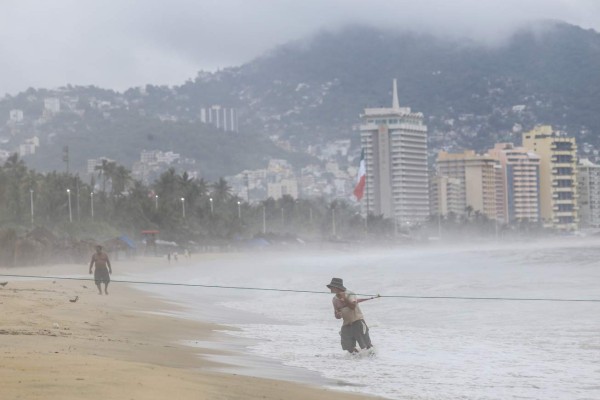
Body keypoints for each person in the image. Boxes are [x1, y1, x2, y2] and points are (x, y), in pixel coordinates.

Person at [327, 277, 373, 354]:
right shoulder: (334, 299)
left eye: (331, 287)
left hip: (357, 321)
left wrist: (344, 298)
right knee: (348, 347)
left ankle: (372, 361)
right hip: (346, 324)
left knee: (367, 346)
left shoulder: (350, 294)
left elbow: (353, 306)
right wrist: (337, 314)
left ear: (336, 287)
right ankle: (357, 361)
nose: (330, 289)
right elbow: (337, 315)